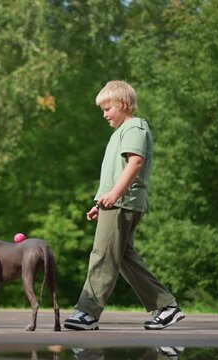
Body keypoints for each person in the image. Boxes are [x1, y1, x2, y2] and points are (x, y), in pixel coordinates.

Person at [64, 80, 184, 331]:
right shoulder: (122, 131)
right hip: (116, 203)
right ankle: (166, 307)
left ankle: (87, 312)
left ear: (124, 104)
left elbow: (135, 163)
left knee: (103, 255)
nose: (105, 115)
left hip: (123, 202)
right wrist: (102, 202)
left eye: (108, 109)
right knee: (124, 259)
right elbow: (116, 172)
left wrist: (115, 195)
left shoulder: (134, 128)